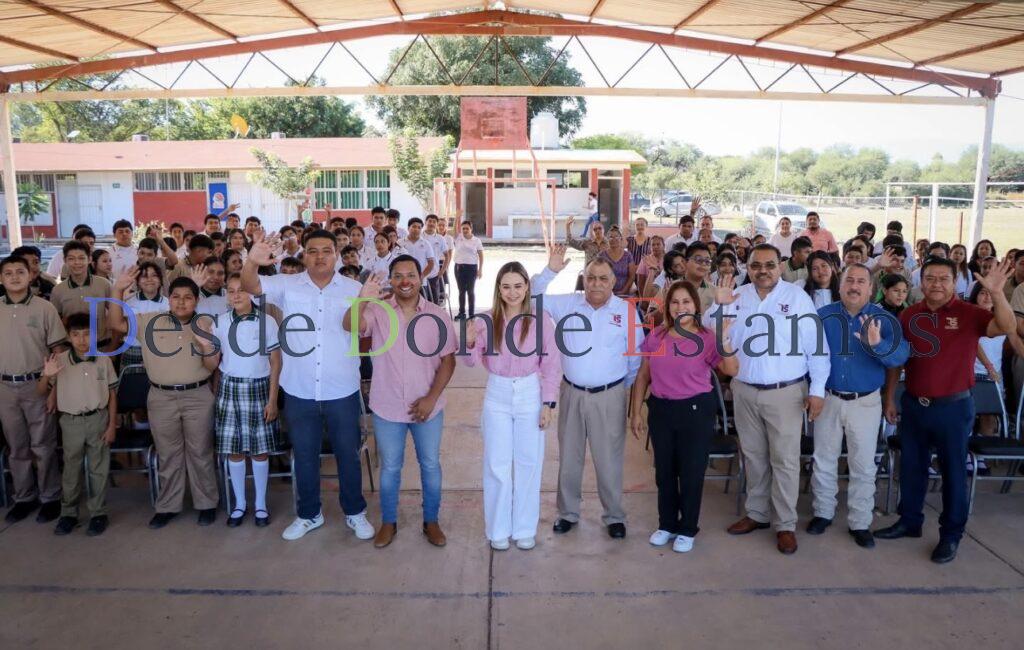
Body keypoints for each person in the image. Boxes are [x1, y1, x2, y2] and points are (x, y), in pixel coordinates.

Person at [876, 257, 1016, 563]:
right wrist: (890, 398)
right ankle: (910, 521)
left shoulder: (969, 313)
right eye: (930, 278)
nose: (936, 284)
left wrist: (997, 293)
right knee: (912, 467)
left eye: (943, 279)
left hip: (953, 408)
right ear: (921, 281)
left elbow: (1007, 326)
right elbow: (898, 360)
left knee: (953, 472)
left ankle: (951, 535)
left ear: (955, 282)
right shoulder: (909, 314)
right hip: (914, 405)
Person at [242, 228, 374, 542]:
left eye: (326, 250)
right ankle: (309, 514)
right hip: (299, 388)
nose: (319, 256)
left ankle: (355, 512)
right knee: (304, 456)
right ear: (303, 254)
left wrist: (365, 302)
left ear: (337, 254)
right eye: (312, 251)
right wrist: (251, 262)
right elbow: (251, 285)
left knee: (348, 455)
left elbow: (362, 328)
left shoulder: (355, 288)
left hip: (341, 389)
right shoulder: (287, 285)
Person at [713, 243, 830, 555]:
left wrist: (817, 390)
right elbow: (716, 335)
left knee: (785, 460)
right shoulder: (736, 295)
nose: (762, 271)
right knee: (753, 456)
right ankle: (757, 513)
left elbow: (817, 346)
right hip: (744, 390)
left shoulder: (797, 298)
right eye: (755, 265)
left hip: (786, 393)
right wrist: (721, 306)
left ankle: (785, 524)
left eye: (769, 265)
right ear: (747, 268)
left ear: (780, 266)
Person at [344, 256, 457, 549]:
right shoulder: (378, 309)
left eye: (411, 275)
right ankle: (389, 522)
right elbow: (350, 325)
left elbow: (448, 361)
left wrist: (431, 399)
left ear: (421, 278)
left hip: (427, 408)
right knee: (391, 468)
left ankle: (431, 521)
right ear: (391, 280)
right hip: (388, 406)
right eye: (398, 275)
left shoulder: (437, 315)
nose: (405, 281)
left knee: (430, 465)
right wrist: (362, 299)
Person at [532, 245, 644, 539]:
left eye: (603, 278)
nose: (596, 283)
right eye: (591, 277)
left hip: (610, 396)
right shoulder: (568, 303)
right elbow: (531, 299)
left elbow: (635, 359)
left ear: (614, 281)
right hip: (572, 393)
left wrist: (619, 390)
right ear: (584, 278)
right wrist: (550, 271)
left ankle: (614, 516)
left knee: (609, 460)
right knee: (569, 458)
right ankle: (567, 513)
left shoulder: (626, 312)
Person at [630, 280, 738, 553]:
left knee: (691, 472)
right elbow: (643, 375)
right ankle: (667, 524)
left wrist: (724, 339)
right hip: (661, 410)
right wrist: (635, 412)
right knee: (665, 472)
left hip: (695, 411)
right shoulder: (656, 337)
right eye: (675, 302)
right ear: (667, 306)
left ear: (696, 305)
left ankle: (687, 528)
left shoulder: (707, 337)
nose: (681, 307)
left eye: (686, 302)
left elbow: (731, 370)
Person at [107, 271, 219, 529]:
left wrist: (204, 346)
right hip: (161, 397)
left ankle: (207, 504)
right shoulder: (149, 321)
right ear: (169, 299)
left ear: (196, 301)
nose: (181, 302)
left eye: (188, 297)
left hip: (197, 396)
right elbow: (116, 324)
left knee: (200, 451)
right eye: (176, 297)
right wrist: (117, 290)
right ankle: (168, 505)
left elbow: (212, 365)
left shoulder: (205, 324)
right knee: (168, 454)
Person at [461, 262, 560, 550]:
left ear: (527, 287)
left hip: (530, 392)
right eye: (506, 286)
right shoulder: (485, 321)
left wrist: (548, 403)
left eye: (518, 286)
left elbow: (552, 365)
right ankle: (498, 530)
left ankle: (524, 528)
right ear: (498, 289)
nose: (512, 292)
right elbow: (470, 361)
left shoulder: (541, 320)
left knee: (529, 462)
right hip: (498, 394)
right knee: (497, 463)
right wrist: (468, 342)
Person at [809, 264, 909, 548]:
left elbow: (899, 357)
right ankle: (823, 513)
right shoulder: (823, 316)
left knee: (863, 464)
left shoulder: (884, 319)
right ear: (840, 285)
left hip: (865, 402)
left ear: (870, 288)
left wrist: (877, 345)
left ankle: (860, 522)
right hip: (828, 398)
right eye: (849, 280)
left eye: (861, 281)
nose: (854, 286)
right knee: (823, 459)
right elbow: (806, 355)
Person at [195, 273, 282, 528]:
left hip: (260, 387)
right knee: (234, 451)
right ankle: (240, 504)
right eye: (230, 291)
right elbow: (215, 361)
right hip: (230, 389)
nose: (235, 295)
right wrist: (205, 347)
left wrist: (273, 399)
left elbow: (275, 362)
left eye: (240, 290)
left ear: (252, 294)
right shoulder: (220, 323)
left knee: (259, 451)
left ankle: (261, 504)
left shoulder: (267, 322)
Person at [0, 255, 67, 524]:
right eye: (8, 273)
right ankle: (24, 497)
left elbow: (58, 350)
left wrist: (53, 390)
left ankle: (50, 497)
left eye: (20, 272)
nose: (14, 277)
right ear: (1, 279)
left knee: (43, 445)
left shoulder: (44, 308)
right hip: (5, 388)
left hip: (38, 385)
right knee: (17, 446)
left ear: (31, 276)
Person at [39, 312, 119, 537]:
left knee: (98, 469)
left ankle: (98, 513)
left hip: (98, 419)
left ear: (95, 335)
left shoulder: (103, 360)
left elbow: (112, 395)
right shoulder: (60, 361)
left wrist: (112, 425)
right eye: (76, 335)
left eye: (87, 334)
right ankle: (68, 514)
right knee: (71, 469)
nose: (82, 340)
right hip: (71, 421)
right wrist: (46, 376)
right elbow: (41, 390)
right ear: (68, 337)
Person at [50, 241, 113, 350]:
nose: (77, 262)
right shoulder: (57, 290)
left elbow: (115, 313)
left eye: (81, 258)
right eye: (71, 259)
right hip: (70, 348)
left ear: (89, 259)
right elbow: (55, 323)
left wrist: (113, 347)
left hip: (101, 346)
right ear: (65, 261)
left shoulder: (104, 284)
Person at [398, 217, 438, 301]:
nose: (416, 229)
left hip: (421, 283)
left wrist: (422, 276)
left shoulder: (426, 244)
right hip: (403, 281)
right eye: (414, 226)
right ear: (408, 228)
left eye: (419, 227)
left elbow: (431, 263)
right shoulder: (399, 243)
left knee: (422, 306)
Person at [453, 220, 484, 319]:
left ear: (471, 229)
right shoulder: (458, 238)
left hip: (472, 268)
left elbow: (481, 255)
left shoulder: (476, 240)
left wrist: (480, 269)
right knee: (461, 291)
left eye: (467, 228)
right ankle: (461, 313)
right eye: (463, 228)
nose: (465, 230)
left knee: (470, 291)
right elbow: (454, 229)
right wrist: (457, 217)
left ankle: (471, 314)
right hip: (459, 268)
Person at [599, 226, 636, 297]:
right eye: (611, 237)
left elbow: (632, 276)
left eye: (616, 237)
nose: (614, 239)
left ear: (621, 238)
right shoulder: (602, 255)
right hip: (605, 293)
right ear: (607, 239)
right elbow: (598, 275)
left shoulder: (628, 255)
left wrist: (623, 291)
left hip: (625, 293)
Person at [423, 214, 449, 305]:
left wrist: (442, 271)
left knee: (434, 302)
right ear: (425, 222)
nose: (431, 223)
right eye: (429, 221)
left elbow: (447, 256)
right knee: (422, 303)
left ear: (436, 224)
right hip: (421, 275)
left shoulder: (440, 238)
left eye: (434, 222)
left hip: (434, 275)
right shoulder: (420, 236)